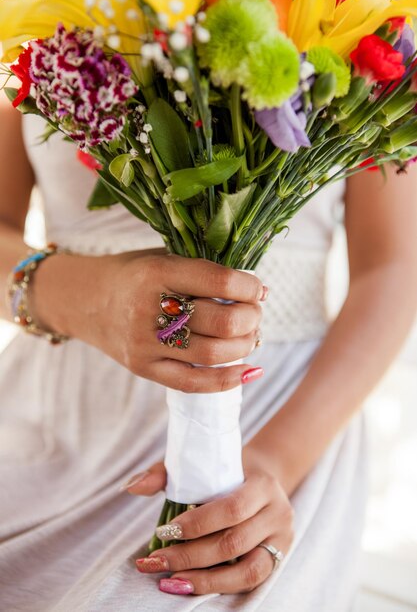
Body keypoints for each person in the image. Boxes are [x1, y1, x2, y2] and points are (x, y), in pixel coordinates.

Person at [0, 85, 417, 612]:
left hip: (276, 420)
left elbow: (391, 269)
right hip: (54, 415)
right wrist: (92, 300)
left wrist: (276, 463)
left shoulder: (360, 9)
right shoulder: (30, 5)